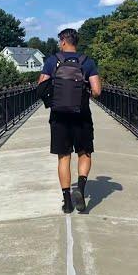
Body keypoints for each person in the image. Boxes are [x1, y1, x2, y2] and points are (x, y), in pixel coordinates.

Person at [37, 28, 102, 213]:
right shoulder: (87, 62)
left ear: (63, 41)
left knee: (63, 157)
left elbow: (41, 86)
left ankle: (67, 201)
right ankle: (80, 189)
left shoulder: (52, 61)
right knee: (84, 153)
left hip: (59, 116)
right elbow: (97, 91)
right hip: (81, 114)